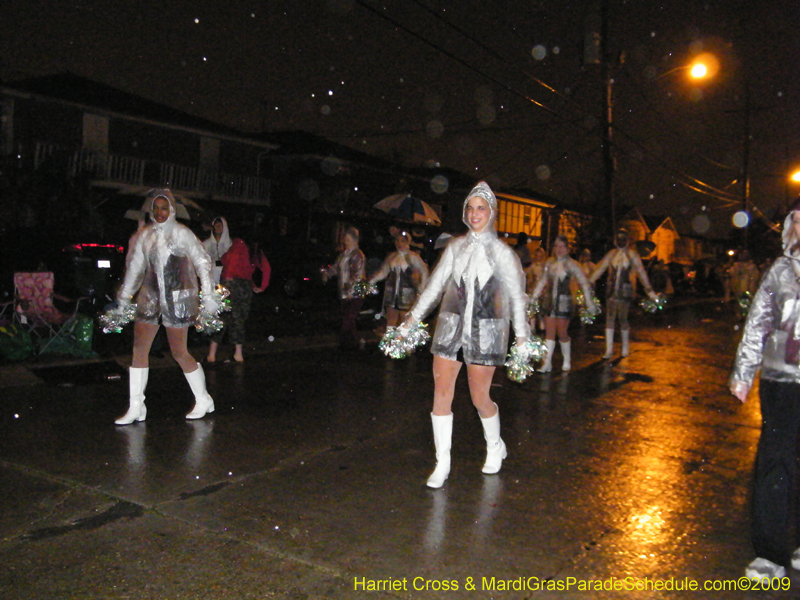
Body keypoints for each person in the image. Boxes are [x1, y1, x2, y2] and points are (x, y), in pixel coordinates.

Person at [403, 182, 530, 489]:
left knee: (479, 397)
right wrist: (411, 320)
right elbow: (434, 287)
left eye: (481, 208)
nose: (475, 214)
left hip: (486, 334)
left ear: (492, 213)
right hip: (450, 329)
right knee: (441, 394)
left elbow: (516, 297)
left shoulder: (502, 253)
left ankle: (495, 444)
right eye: (470, 208)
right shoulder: (456, 248)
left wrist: (523, 337)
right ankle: (442, 462)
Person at [730, 199, 800, 582]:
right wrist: (744, 372)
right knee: (775, 461)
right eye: (798, 221)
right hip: (780, 381)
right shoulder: (780, 271)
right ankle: (770, 553)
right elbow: (757, 322)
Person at [114, 188, 218, 425]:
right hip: (149, 299)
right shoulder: (145, 235)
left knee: (179, 351)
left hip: (178, 300)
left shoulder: (182, 233)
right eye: (156, 208)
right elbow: (135, 268)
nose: (159, 213)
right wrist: (124, 298)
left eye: (164, 208)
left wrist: (208, 295)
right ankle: (136, 406)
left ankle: (203, 398)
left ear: (171, 209)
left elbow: (203, 261)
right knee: (139, 351)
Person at [530, 236, 597, 372]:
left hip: (564, 303)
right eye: (556, 246)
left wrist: (588, 302)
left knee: (562, 332)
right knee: (549, 333)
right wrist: (533, 298)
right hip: (549, 302)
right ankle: (547, 363)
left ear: (567, 248)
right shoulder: (549, 263)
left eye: (562, 247)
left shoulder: (573, 264)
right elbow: (542, 281)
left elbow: (583, 283)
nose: (559, 250)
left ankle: (567, 360)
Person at [589, 229, 658, 359]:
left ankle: (625, 347)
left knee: (622, 319)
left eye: (623, 239)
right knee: (609, 319)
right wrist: (589, 281)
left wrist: (649, 291)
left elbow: (641, 273)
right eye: (618, 238)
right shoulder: (611, 254)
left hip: (625, 291)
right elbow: (600, 269)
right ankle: (608, 350)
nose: (620, 241)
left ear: (627, 241)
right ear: (615, 240)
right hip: (611, 291)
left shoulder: (633, 255)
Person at [206, 230, 271, 363]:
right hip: (245, 288)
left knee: (222, 317)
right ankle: (238, 353)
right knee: (239, 320)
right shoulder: (255, 250)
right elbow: (265, 268)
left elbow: (227, 261)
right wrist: (261, 286)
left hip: (229, 284)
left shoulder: (237, 244)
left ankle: (212, 354)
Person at [369, 231, 429, 328]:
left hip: (407, 295)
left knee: (404, 322)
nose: (399, 244)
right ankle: (390, 341)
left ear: (407, 242)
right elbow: (383, 272)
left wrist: (422, 288)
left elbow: (424, 271)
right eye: (397, 241)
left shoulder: (413, 257)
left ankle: (402, 340)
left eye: (402, 241)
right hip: (391, 295)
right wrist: (372, 281)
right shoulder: (392, 257)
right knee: (390, 322)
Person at [322, 226, 366, 350]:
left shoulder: (358, 255)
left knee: (348, 319)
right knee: (348, 319)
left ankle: (346, 342)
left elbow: (357, 275)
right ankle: (353, 343)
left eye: (347, 239)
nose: (344, 242)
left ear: (354, 240)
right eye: (344, 239)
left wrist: (350, 288)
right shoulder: (343, 254)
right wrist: (327, 273)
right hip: (344, 293)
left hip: (355, 293)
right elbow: (336, 267)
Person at [203, 216, 232, 284]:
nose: (218, 227)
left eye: (220, 225)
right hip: (211, 276)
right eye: (216, 225)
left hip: (226, 276)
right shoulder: (206, 244)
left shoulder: (230, 244)